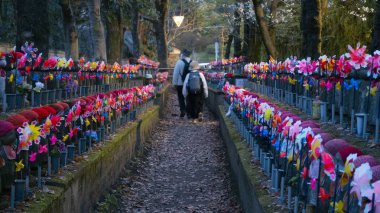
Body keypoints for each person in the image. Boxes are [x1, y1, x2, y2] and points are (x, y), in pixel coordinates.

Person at [172, 49, 192, 118]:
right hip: (190, 84)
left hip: (180, 83)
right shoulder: (193, 62)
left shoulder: (179, 62)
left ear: (183, 54)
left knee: (181, 97)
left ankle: (183, 110)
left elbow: (176, 74)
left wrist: (174, 83)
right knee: (189, 98)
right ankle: (189, 113)